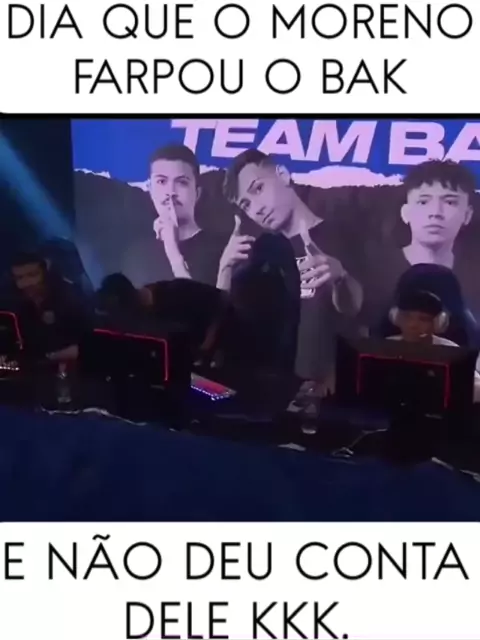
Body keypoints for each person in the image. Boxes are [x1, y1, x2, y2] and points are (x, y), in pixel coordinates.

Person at [220, 148, 363, 388]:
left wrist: (339, 276)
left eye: (258, 189)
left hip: (324, 391)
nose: (257, 208)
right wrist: (225, 269)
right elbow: (225, 324)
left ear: (283, 175)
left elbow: (355, 308)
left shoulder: (341, 236)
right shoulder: (256, 253)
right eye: (246, 205)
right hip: (267, 386)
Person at [362, 159, 479, 328]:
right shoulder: (375, 269)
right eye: (423, 202)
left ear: (467, 215)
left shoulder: (475, 276)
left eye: (450, 202)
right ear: (405, 213)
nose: (435, 213)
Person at [148, 144, 224, 285]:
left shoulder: (221, 250)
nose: (171, 192)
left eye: (182, 182)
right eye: (161, 181)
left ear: (197, 193)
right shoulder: (136, 254)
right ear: (150, 190)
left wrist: (173, 252)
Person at [387, 289, 480, 402]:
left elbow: (476, 388)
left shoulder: (452, 352)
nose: (412, 325)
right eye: (406, 317)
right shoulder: (386, 347)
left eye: (423, 319)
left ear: (437, 323)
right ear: (396, 318)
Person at [2, 252, 91, 364]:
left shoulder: (71, 297)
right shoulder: (15, 302)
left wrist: (49, 358)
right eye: (19, 278)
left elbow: (90, 343)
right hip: (30, 368)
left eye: (32, 275)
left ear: (45, 273)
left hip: (72, 367)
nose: (26, 283)